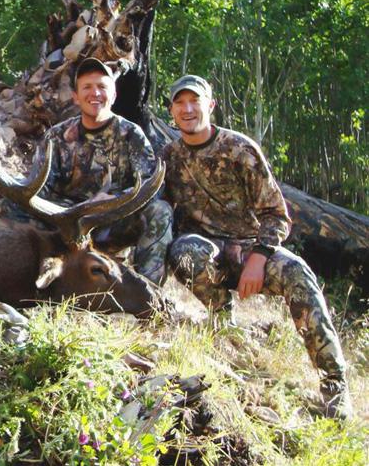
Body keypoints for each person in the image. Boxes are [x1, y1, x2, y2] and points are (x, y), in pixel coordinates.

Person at [162, 74, 352, 418]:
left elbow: (276, 214)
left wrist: (259, 258)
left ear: (211, 105)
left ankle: (334, 386)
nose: (188, 109)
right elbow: (157, 214)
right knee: (183, 252)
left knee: (299, 275)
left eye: (195, 101)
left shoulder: (239, 148)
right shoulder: (169, 157)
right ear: (172, 110)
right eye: (180, 103)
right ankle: (222, 323)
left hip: (251, 248)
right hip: (206, 252)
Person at [40, 57, 173, 285]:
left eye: (102, 87)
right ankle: (18, 285)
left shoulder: (131, 134)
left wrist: (112, 200)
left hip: (112, 222)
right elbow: (42, 185)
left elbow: (152, 186)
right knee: (7, 206)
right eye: (87, 87)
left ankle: (147, 293)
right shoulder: (57, 135)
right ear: (75, 96)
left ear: (113, 95)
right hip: (66, 224)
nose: (95, 93)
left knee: (159, 211)